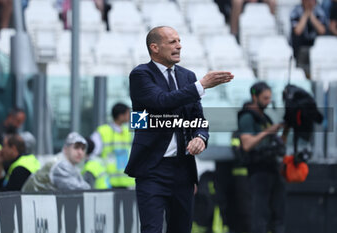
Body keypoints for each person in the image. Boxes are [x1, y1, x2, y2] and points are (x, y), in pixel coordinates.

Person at [124, 26, 234, 233]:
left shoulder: (187, 76)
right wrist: (201, 86)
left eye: (179, 41)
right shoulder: (140, 75)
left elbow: (198, 119)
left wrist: (200, 137)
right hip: (152, 169)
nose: (179, 46)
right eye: (172, 42)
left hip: (182, 170)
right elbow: (161, 101)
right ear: (154, 47)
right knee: (151, 229)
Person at [238, 82, 287, 233]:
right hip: (258, 172)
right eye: (265, 98)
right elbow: (247, 144)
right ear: (254, 96)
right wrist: (268, 131)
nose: (268, 102)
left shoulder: (265, 118)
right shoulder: (247, 117)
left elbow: (279, 144)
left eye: (270, 98)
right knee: (260, 215)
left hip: (272, 168)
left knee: (278, 214)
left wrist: (286, 129)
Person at [22, 132, 90, 191]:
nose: (80, 152)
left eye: (83, 149)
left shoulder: (69, 164)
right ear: (65, 149)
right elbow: (77, 189)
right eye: (76, 147)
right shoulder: (61, 165)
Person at [87, 103, 134, 189]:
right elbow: (92, 155)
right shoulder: (103, 131)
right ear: (120, 116)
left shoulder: (128, 132)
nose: (130, 116)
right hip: (108, 183)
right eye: (128, 113)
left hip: (127, 183)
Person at [290, 0, 327, 66]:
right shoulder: (295, 11)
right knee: (297, 41)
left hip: (315, 43)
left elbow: (322, 30)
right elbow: (297, 31)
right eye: (307, 1)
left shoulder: (319, 11)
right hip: (300, 45)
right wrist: (306, 14)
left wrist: (311, 16)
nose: (309, 3)